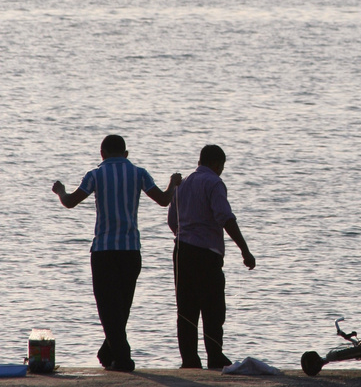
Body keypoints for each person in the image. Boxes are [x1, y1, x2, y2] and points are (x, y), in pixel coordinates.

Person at [52, 134, 181, 372]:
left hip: (103, 250)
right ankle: (108, 352)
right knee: (122, 306)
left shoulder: (95, 175)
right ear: (126, 154)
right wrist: (173, 183)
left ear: (102, 154)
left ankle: (123, 359)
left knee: (107, 306)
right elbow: (164, 200)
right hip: (131, 249)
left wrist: (60, 190)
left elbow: (70, 202)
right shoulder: (139, 173)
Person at [168, 144, 256, 369]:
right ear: (217, 164)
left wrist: (187, 234)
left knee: (186, 309)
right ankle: (214, 355)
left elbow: (172, 222)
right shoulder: (214, 183)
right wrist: (244, 250)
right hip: (206, 254)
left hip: (181, 252)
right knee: (213, 307)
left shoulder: (182, 183)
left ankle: (189, 360)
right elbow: (225, 218)